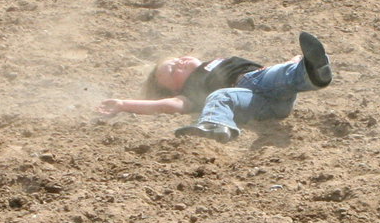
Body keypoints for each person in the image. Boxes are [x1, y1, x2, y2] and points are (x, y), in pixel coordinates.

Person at [97, 32, 334, 143]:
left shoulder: (214, 63)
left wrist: (292, 63)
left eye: (175, 60)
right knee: (221, 96)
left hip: (266, 83)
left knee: (282, 73)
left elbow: (269, 73)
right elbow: (165, 106)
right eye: (171, 71)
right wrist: (123, 104)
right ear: (175, 89)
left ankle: (312, 73)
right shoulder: (192, 91)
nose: (178, 63)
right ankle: (216, 125)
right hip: (253, 101)